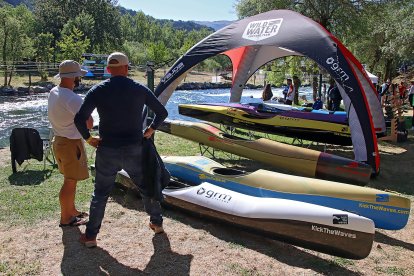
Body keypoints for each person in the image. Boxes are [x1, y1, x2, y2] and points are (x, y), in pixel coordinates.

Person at [74, 52, 168, 248]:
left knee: (100, 194)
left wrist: (89, 138)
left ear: (108, 69)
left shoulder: (98, 90)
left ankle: (91, 236)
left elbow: (79, 118)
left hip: (107, 149)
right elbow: (162, 112)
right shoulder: (138, 89)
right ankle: (156, 222)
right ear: (127, 68)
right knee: (146, 186)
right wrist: (150, 129)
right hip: (135, 148)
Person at [48, 60, 94, 227]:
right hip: (70, 144)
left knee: (70, 180)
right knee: (70, 181)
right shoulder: (72, 98)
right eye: (78, 76)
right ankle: (66, 218)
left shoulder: (54, 91)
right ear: (74, 77)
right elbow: (89, 123)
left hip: (59, 140)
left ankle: (71, 211)